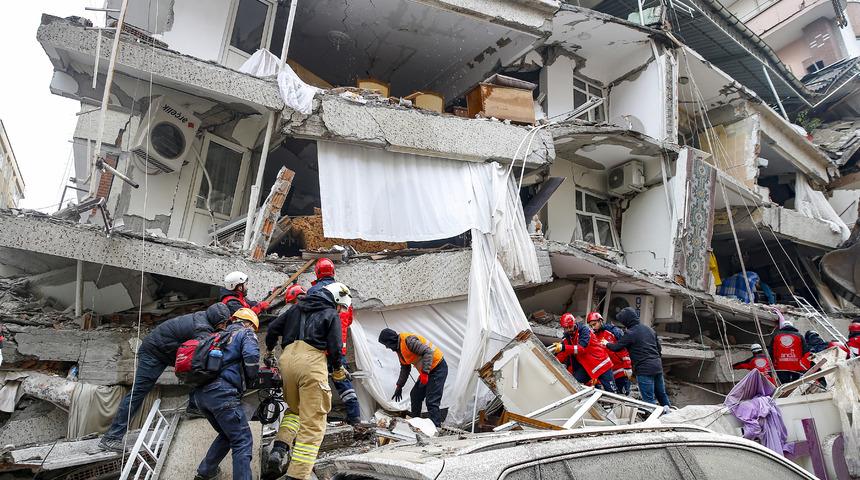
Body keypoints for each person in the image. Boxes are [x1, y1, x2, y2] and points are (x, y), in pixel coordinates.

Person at [99, 303, 231, 452]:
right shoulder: (201, 327)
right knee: (138, 393)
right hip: (153, 353)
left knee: (198, 372)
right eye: (223, 323)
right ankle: (112, 437)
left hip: (165, 351)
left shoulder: (205, 317)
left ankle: (194, 407)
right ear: (216, 319)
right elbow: (209, 345)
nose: (225, 326)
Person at [268, 282, 350, 480]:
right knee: (313, 423)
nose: (340, 310)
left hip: (287, 360)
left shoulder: (296, 308)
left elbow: (272, 329)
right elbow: (336, 347)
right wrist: (337, 369)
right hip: (311, 362)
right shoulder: (331, 314)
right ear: (336, 300)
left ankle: (279, 449)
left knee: (295, 410)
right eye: (341, 307)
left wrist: (270, 351)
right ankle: (296, 476)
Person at [193, 308, 260, 480]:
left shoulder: (216, 337)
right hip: (222, 394)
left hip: (201, 396)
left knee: (228, 433)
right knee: (242, 441)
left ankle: (206, 472)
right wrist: (252, 378)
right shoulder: (246, 332)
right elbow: (251, 357)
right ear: (249, 323)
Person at [378, 328, 448, 427]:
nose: (387, 347)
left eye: (386, 344)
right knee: (415, 395)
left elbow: (428, 352)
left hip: (437, 368)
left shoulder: (409, 341)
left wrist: (424, 373)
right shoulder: (399, 350)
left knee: (432, 401)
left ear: (391, 340)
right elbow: (405, 368)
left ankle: (436, 428)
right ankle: (416, 424)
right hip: (427, 372)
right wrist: (399, 386)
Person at [606, 307, 671, 409]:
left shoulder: (630, 333)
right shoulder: (649, 329)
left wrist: (606, 344)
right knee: (661, 395)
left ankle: (653, 422)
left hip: (644, 369)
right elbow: (659, 349)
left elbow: (617, 347)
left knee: (649, 401)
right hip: (657, 366)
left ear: (627, 321)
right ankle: (671, 415)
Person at [550, 313, 616, 393]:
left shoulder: (584, 330)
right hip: (587, 366)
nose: (568, 330)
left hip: (601, 364)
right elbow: (564, 353)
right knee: (573, 382)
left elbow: (582, 348)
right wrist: (551, 362)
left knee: (612, 391)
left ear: (574, 324)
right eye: (566, 328)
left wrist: (563, 347)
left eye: (570, 327)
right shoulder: (568, 336)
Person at [587, 312, 632, 395]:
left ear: (600, 321)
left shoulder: (613, 332)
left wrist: (627, 366)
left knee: (623, 396)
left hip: (620, 371)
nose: (593, 327)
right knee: (612, 397)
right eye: (591, 326)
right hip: (608, 373)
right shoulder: (593, 336)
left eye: (594, 324)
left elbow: (624, 349)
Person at [770, 319, 807, 383]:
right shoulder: (799, 336)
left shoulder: (776, 336)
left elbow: (771, 352)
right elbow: (805, 351)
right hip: (797, 366)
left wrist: (773, 364)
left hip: (781, 366)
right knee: (796, 385)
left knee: (784, 385)